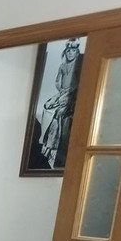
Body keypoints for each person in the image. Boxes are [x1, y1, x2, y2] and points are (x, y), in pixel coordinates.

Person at [39, 39, 82, 169]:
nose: (70, 53)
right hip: (62, 92)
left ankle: (53, 146)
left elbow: (78, 82)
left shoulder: (78, 66)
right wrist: (61, 90)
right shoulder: (62, 66)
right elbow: (57, 81)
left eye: (73, 51)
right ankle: (45, 140)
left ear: (77, 53)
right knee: (47, 107)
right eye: (68, 51)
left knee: (59, 113)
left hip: (72, 94)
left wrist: (70, 91)